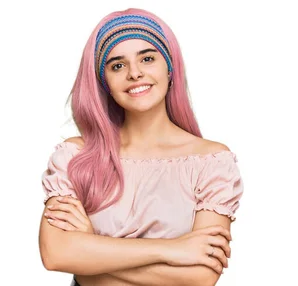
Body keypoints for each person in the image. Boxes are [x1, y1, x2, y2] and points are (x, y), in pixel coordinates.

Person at [38, 8, 244, 286]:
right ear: (104, 82)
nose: (135, 73)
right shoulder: (75, 157)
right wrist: (174, 250)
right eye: (117, 65)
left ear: (170, 68)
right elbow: (56, 254)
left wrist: (91, 249)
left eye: (147, 58)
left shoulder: (211, 161)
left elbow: (199, 277)